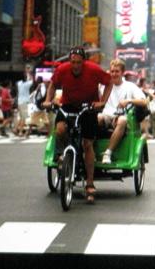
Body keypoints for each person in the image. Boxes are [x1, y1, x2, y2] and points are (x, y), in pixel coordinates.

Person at [42, 46, 112, 204]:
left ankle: (89, 184)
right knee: (60, 129)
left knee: (88, 144)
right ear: (69, 61)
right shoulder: (62, 69)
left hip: (88, 107)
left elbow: (108, 83)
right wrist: (48, 100)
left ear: (84, 62)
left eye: (79, 63)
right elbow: (53, 84)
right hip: (68, 105)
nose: (75, 66)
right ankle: (62, 154)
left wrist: (102, 102)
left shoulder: (93, 69)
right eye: (73, 62)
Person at [98, 59, 147, 164]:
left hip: (121, 118)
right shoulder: (103, 86)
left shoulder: (130, 86)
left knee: (122, 120)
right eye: (112, 71)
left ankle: (108, 153)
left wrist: (129, 100)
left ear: (122, 72)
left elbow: (144, 101)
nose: (114, 74)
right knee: (95, 118)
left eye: (117, 71)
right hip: (106, 115)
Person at [13, 65, 34, 137]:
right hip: (24, 102)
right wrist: (28, 72)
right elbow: (32, 80)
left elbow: (28, 80)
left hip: (19, 102)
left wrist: (26, 72)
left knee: (20, 117)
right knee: (23, 118)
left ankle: (15, 129)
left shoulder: (19, 84)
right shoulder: (27, 84)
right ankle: (20, 132)